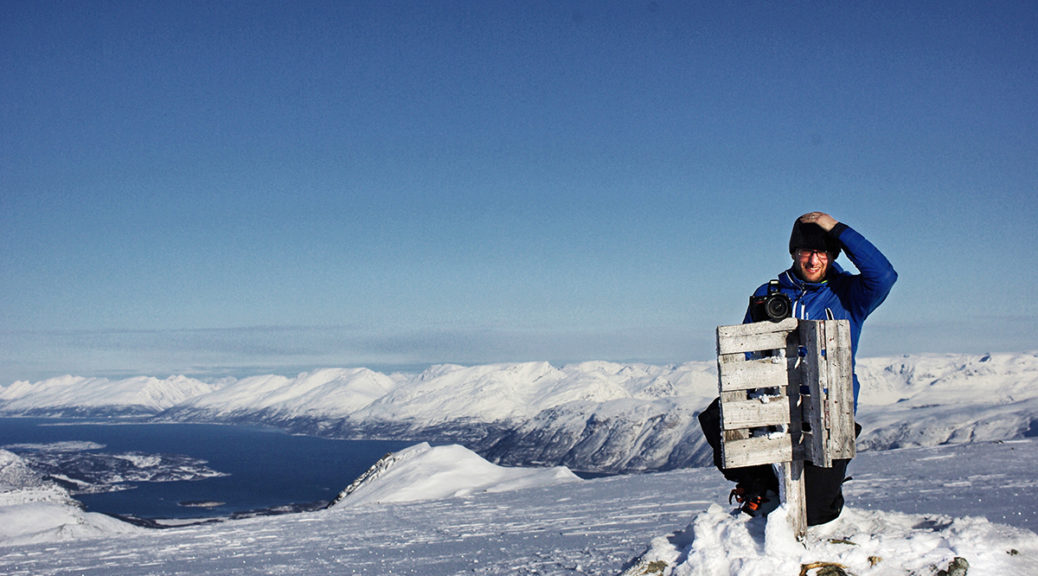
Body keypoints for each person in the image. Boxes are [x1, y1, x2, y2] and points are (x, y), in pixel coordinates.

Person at [698, 211, 897, 526]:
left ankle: (826, 489)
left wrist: (836, 229)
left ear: (832, 255)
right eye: (807, 251)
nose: (814, 260)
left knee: (815, 513)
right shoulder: (770, 294)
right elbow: (749, 351)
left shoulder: (851, 294)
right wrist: (749, 399)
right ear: (794, 253)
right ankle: (759, 488)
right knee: (717, 418)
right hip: (775, 405)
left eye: (823, 252)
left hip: (829, 412)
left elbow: (885, 275)